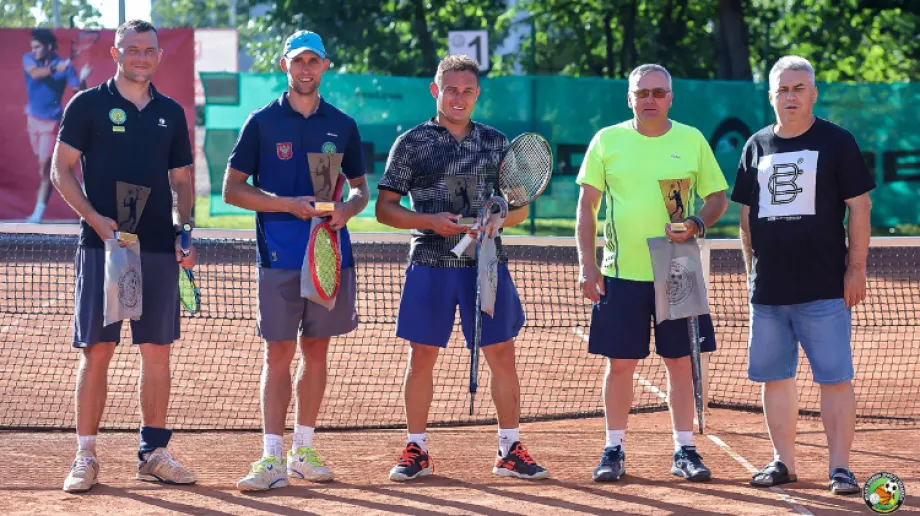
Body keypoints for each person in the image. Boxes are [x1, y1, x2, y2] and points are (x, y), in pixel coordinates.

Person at [376, 54, 549, 482]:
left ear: (477, 95)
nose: (458, 97)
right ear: (436, 91)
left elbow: (519, 212)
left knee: (501, 355)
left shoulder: (495, 142)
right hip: (430, 264)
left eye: (467, 91)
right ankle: (416, 448)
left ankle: (510, 449)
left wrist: (496, 219)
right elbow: (385, 209)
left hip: (485, 266)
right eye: (450, 89)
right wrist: (429, 222)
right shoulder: (412, 142)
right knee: (422, 358)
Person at [50, 20, 196, 493]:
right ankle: (85, 456)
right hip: (102, 248)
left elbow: (183, 181)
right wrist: (95, 219)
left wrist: (185, 230)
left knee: (157, 354)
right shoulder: (87, 105)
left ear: (158, 56)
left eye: (148, 50)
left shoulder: (171, 113)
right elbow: (61, 171)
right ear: (115, 53)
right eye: (131, 49)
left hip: (156, 248)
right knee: (98, 353)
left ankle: (152, 452)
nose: (141, 56)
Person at [223, 30, 369, 492]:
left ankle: (302, 449)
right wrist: (287, 204)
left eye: (314, 61)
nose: (306, 69)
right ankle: (271, 458)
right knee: (279, 353)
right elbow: (233, 189)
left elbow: (362, 188)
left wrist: (347, 208)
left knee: (317, 352)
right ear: (284, 65)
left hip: (329, 253)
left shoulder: (343, 124)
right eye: (298, 61)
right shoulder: (262, 122)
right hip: (279, 256)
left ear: (325, 66)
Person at [575, 64, 728, 483]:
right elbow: (586, 209)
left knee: (680, 363)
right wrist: (589, 265)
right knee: (621, 364)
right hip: (621, 273)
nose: (650, 100)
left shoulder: (692, 139)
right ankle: (614, 449)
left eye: (659, 93)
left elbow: (717, 196)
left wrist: (697, 223)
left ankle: (684, 450)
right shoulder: (608, 140)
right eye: (642, 93)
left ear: (671, 98)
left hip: (678, 269)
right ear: (630, 98)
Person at [732, 56, 875, 495]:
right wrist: (751, 275)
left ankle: (840, 469)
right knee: (776, 379)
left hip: (824, 289)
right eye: (782, 89)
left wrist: (855, 269)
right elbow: (745, 218)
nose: (790, 96)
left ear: (813, 93)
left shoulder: (837, 142)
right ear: (771, 95)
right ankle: (784, 462)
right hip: (770, 292)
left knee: (834, 379)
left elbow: (860, 208)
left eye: (798, 88)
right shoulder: (755, 145)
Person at [24, 28, 92, 223]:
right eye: (33, 47)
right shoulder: (29, 59)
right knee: (43, 169)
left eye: (38, 46)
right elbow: (35, 74)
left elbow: (79, 92)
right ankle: (80, 189)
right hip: (32, 121)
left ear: (49, 47)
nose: (34, 50)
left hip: (52, 122)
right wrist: (56, 69)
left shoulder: (66, 67)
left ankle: (37, 214)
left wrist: (84, 78)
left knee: (46, 167)